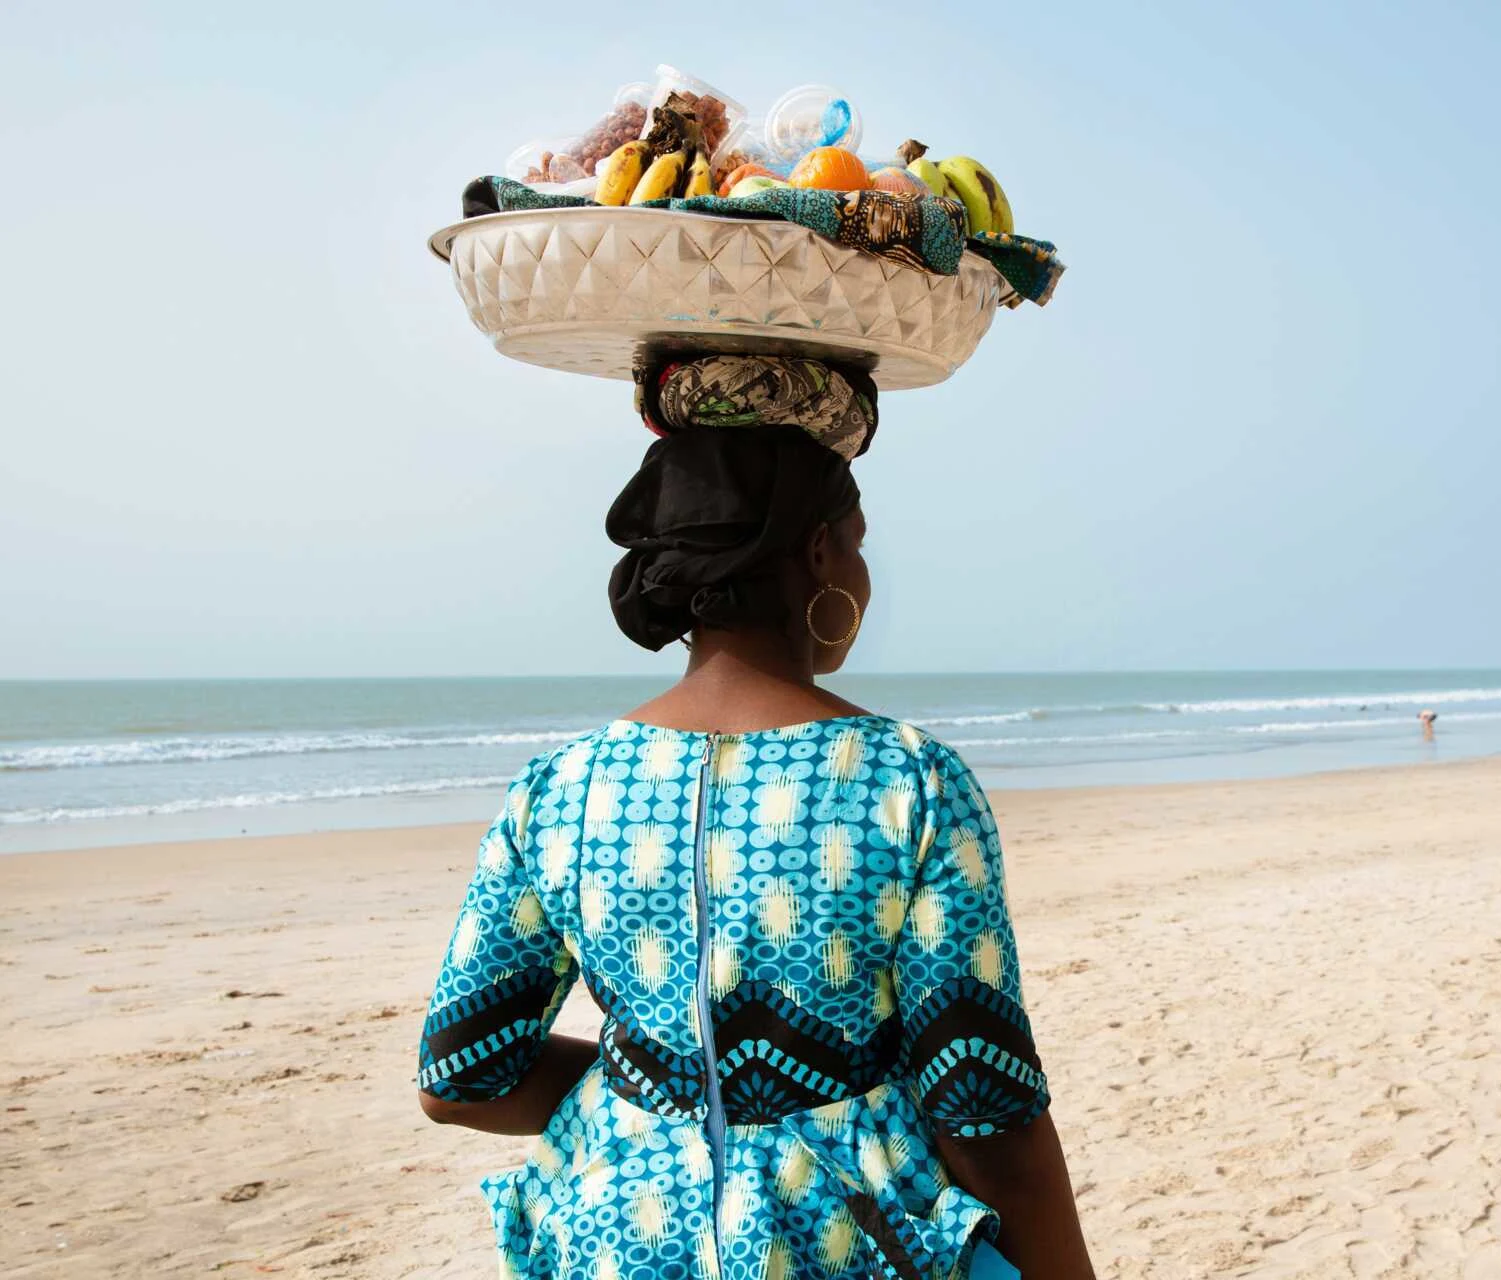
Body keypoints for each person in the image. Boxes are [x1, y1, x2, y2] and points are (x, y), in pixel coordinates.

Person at [414, 357, 1095, 1280]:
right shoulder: (909, 781)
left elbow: (461, 1079)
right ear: (818, 555)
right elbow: (981, 1099)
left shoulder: (561, 789)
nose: (861, 567)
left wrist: (669, 1086)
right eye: (854, 541)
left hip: (616, 1243)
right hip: (844, 1245)